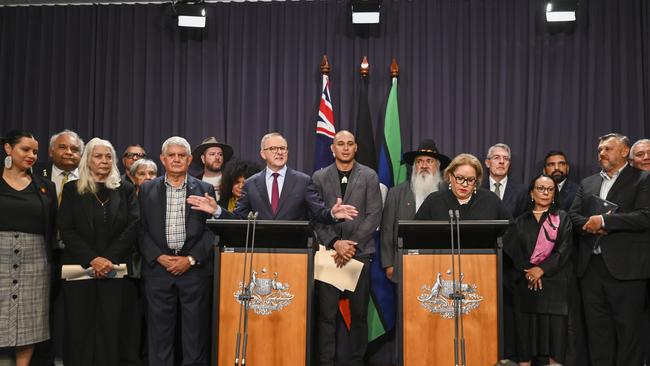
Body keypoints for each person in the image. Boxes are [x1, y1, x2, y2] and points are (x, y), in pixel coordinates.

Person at [569, 133, 650, 365]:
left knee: (628, 333)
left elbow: (645, 216)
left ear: (625, 152)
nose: (602, 153)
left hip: (627, 270)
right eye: (600, 150)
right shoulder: (588, 182)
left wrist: (604, 222)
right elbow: (573, 215)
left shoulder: (643, 179)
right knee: (597, 332)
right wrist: (589, 226)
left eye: (608, 149)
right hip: (591, 269)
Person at [57, 137, 140, 366]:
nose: (104, 161)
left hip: (114, 271)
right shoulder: (72, 189)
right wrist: (92, 259)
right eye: (98, 156)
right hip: (79, 269)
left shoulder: (125, 189)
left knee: (111, 326)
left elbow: (133, 226)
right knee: (79, 326)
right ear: (88, 160)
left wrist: (108, 259)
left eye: (108, 156)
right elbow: (66, 228)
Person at [139, 136, 216, 366]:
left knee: (195, 336)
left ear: (190, 159)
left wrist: (190, 259)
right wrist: (160, 257)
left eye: (181, 155)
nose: (176, 159)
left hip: (194, 272)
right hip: (158, 271)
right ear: (162, 159)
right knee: (159, 336)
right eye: (171, 155)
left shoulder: (205, 188)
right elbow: (140, 230)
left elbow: (211, 231)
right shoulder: (147, 189)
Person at [311, 130, 382, 366]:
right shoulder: (320, 177)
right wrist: (335, 243)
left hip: (359, 254)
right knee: (326, 316)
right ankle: (326, 362)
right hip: (329, 254)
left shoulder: (369, 176)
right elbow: (316, 217)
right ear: (332, 148)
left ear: (356, 147)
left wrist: (350, 246)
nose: (345, 147)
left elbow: (374, 215)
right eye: (340, 143)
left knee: (359, 316)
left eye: (349, 143)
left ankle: (356, 361)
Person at [193, 132, 357, 222]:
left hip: (294, 254)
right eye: (273, 149)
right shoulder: (250, 184)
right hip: (260, 252)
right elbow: (238, 218)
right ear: (263, 154)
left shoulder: (303, 180)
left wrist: (332, 214)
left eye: (283, 148)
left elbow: (319, 213)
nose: (279, 152)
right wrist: (217, 210)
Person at [503, 174, 573, 366]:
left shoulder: (562, 218)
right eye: (541, 188)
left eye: (550, 189)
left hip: (554, 288)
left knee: (555, 343)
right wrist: (530, 272)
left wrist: (541, 269)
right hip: (526, 288)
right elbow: (513, 253)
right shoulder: (519, 221)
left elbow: (564, 249)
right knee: (525, 342)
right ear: (532, 193)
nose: (545, 193)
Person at [0, 130, 57, 366]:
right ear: (8, 149)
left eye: (35, 151)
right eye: (25, 149)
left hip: (35, 257)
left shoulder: (45, 186)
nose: (32, 155)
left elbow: (52, 224)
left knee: (30, 320)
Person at [31, 129, 85, 366]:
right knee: (42, 310)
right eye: (63, 147)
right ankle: (43, 360)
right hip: (44, 252)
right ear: (51, 150)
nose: (69, 152)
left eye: (74, 149)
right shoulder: (34, 173)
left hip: (78, 254)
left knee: (77, 310)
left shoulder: (89, 175)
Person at [380, 138, 449, 281]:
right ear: (414, 166)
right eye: (419, 161)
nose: (424, 165)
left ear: (437, 165)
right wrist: (388, 264)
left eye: (429, 161)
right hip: (403, 262)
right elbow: (387, 230)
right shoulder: (396, 193)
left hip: (440, 261)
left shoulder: (447, 194)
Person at [415, 153, 510, 221]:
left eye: (470, 180)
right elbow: (415, 232)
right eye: (460, 178)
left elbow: (510, 232)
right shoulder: (434, 200)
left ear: (476, 180)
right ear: (450, 176)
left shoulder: (490, 200)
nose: (465, 184)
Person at [482, 143, 527, 217]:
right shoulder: (477, 189)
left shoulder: (522, 191)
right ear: (487, 163)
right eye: (497, 157)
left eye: (506, 158)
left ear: (508, 164)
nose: (502, 161)